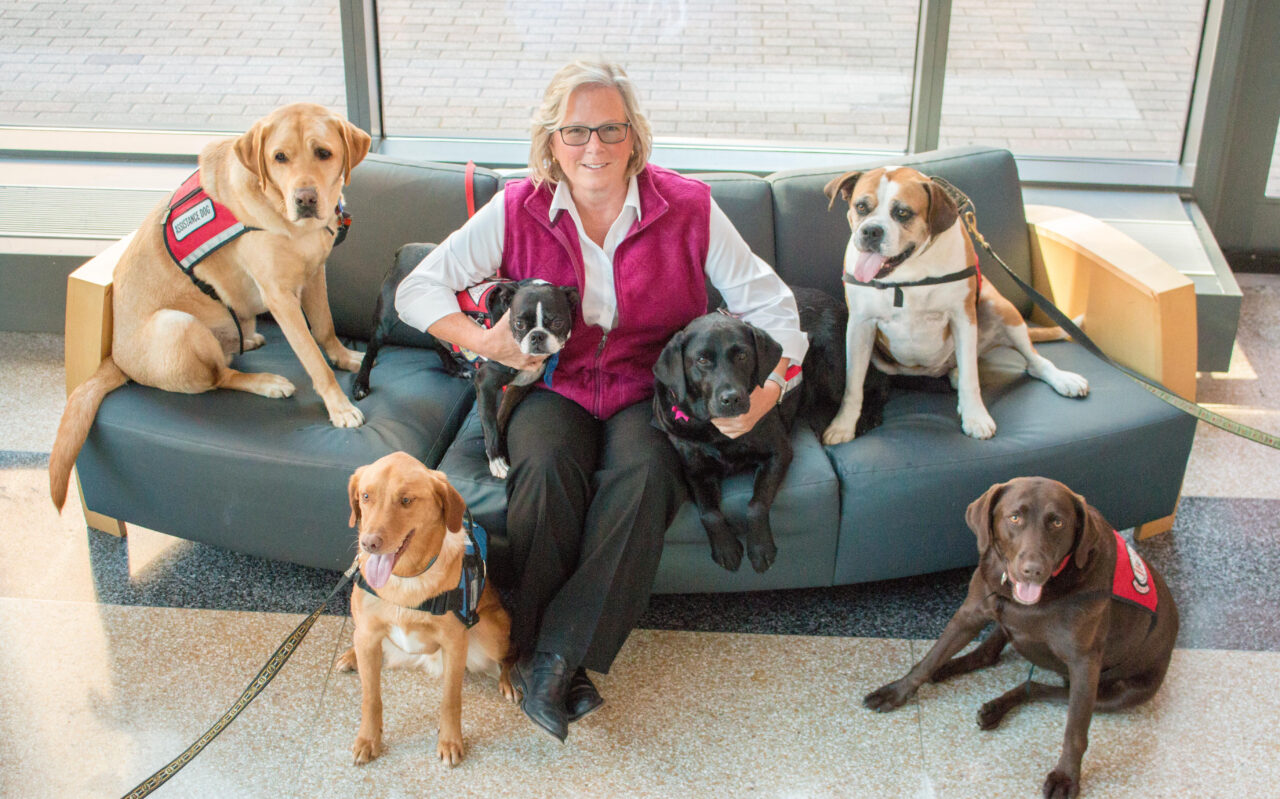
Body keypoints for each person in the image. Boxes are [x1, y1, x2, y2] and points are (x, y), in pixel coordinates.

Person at [395, 60, 808, 742]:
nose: (595, 147)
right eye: (576, 131)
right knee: (549, 468)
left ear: (634, 136)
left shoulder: (690, 206)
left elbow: (775, 307)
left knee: (647, 476)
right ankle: (554, 661)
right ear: (551, 141)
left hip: (645, 392)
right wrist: (485, 343)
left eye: (611, 128)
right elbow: (419, 289)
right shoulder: (517, 206)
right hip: (550, 386)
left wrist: (767, 393)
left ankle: (548, 658)